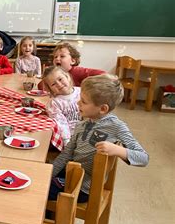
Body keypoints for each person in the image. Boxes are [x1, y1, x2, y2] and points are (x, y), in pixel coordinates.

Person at [50, 74, 149, 203]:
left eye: (84, 101)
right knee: (40, 179)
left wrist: (117, 150)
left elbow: (143, 158)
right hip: (72, 174)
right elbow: (66, 155)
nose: (78, 103)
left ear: (103, 109)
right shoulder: (82, 124)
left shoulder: (116, 126)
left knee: (41, 189)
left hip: (84, 187)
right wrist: (49, 173)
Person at [42, 66, 81, 146]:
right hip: (71, 137)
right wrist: (67, 142)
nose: (59, 84)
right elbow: (61, 124)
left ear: (67, 77)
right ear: (50, 89)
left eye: (60, 79)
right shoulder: (54, 103)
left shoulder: (82, 92)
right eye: (53, 84)